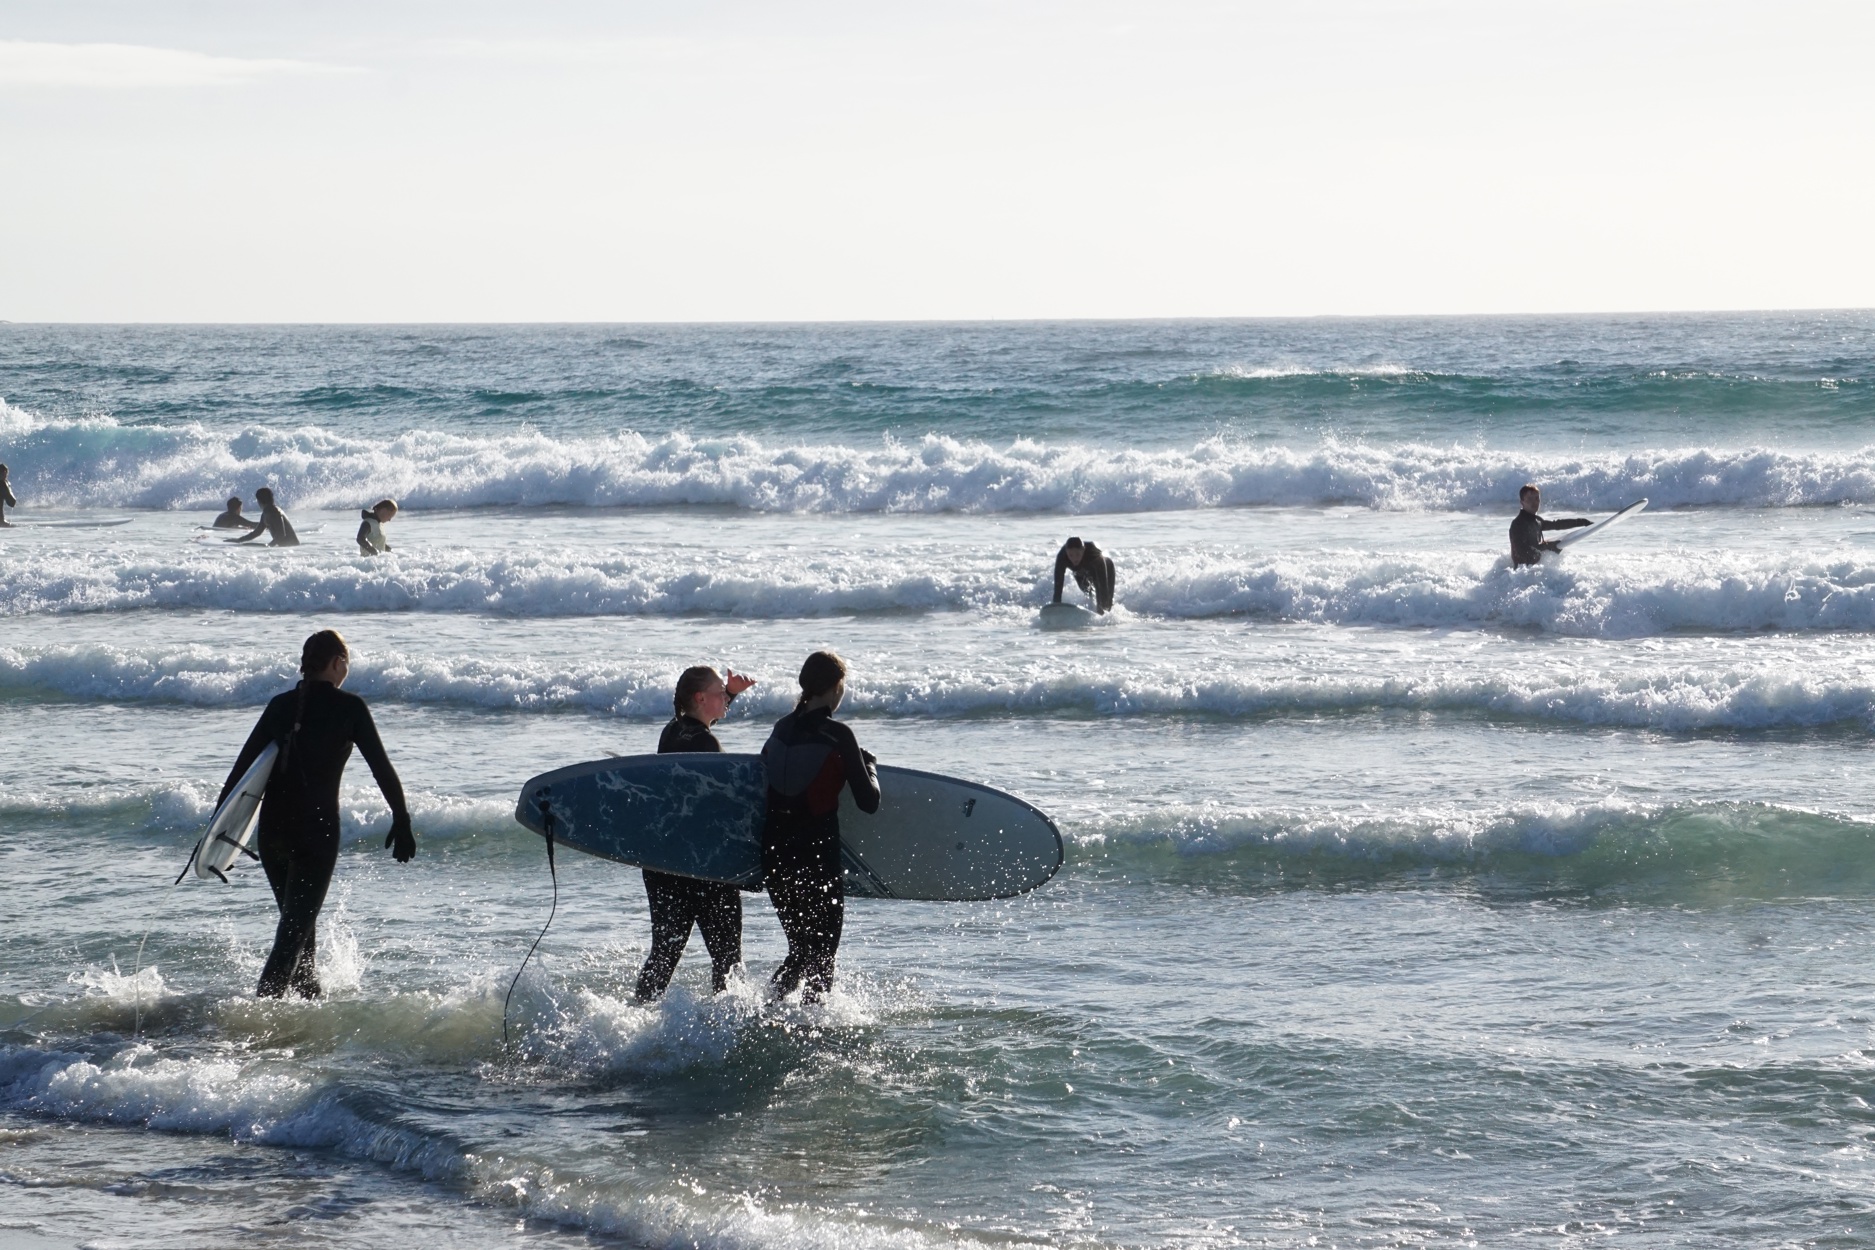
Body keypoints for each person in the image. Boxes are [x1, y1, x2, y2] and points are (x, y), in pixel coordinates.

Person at [217, 630, 414, 998]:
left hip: (272, 834)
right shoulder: (350, 707)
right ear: (338, 662)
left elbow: (240, 772)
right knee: (292, 936)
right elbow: (381, 768)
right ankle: (256, 1026)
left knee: (300, 930)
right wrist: (401, 819)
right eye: (347, 662)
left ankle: (309, 997)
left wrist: (220, 835)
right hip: (315, 835)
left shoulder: (279, 705)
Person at [633, 664, 759, 1002]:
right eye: (720, 694)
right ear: (701, 698)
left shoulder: (671, 731)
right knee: (728, 960)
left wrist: (730, 691)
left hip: (663, 861)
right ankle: (729, 1030)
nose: (726, 700)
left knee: (664, 953)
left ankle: (638, 1014)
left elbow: (704, 722)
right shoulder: (707, 743)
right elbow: (725, 809)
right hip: (704, 864)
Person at [759, 650, 879, 1003]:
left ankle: (766, 1014)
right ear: (836, 687)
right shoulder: (839, 734)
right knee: (822, 962)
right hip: (814, 862)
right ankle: (812, 1041)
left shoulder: (780, 727)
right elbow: (869, 802)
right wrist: (870, 765)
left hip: (775, 859)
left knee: (800, 953)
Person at [1509, 484, 1590, 567]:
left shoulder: (1537, 521)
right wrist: (1547, 546)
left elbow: (1557, 525)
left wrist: (1582, 522)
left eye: (1537, 498)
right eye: (1530, 499)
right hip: (1520, 574)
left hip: (1533, 570)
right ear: (1522, 502)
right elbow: (1521, 552)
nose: (1534, 502)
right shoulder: (1518, 524)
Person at [1052, 536, 1116, 613]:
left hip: (1105, 568)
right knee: (1087, 591)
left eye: (1078, 554)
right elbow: (1058, 585)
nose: (1074, 558)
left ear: (1083, 550)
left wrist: (1101, 608)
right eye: (1071, 555)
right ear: (1066, 552)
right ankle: (1091, 610)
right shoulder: (1061, 557)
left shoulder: (1093, 553)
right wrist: (1056, 606)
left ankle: (1107, 617)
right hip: (1081, 571)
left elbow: (1102, 586)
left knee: (1105, 604)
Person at [229, 487, 300, 547]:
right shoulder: (266, 513)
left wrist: (269, 546)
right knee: (249, 545)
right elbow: (257, 532)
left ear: (259, 501)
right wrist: (239, 540)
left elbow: (281, 534)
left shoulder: (274, 511)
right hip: (287, 549)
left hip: (293, 549)